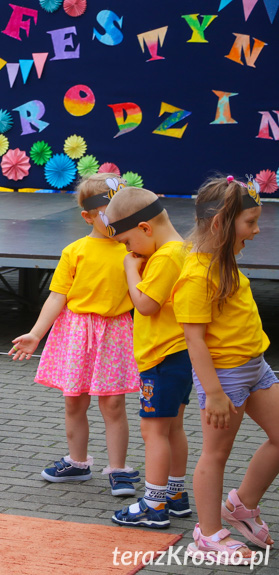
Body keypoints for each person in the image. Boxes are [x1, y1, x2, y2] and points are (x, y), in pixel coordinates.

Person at [9, 173, 141, 495]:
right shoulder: (74, 251)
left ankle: (118, 468)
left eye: (122, 213)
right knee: (74, 403)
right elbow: (57, 297)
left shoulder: (135, 251)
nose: (116, 220)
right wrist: (36, 334)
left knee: (113, 406)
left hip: (114, 332)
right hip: (78, 333)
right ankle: (78, 462)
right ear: (88, 216)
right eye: (108, 213)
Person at [171, 177, 278, 563]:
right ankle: (209, 533)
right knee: (215, 454)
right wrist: (214, 392)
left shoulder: (223, 260)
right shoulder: (197, 275)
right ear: (220, 224)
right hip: (227, 378)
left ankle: (242, 506)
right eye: (250, 222)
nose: (257, 229)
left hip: (256, 367)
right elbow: (194, 340)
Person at [104, 186, 192, 529]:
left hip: (163, 357)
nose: (128, 250)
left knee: (152, 430)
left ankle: (154, 505)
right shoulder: (178, 250)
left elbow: (145, 304)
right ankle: (174, 494)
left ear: (145, 228)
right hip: (176, 354)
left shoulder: (167, 256)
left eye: (127, 242)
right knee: (172, 428)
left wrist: (130, 268)